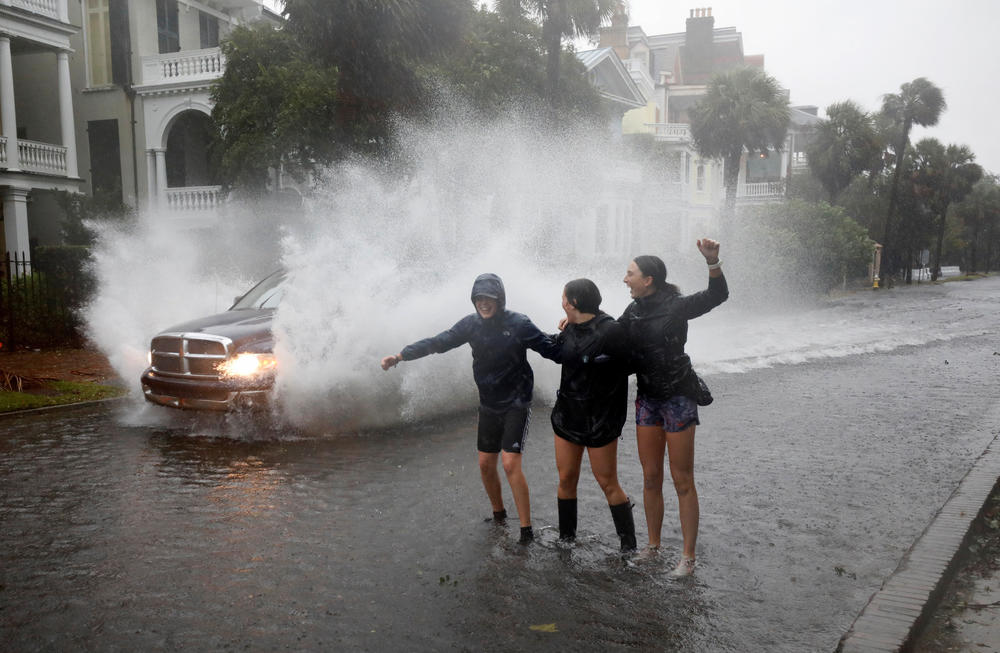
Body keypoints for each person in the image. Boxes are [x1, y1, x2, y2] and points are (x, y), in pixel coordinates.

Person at [380, 273, 558, 544]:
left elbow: (550, 348)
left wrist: (574, 330)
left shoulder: (519, 323)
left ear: (500, 299)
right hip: (489, 403)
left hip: (516, 402)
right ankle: (499, 515)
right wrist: (401, 356)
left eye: (489, 298)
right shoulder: (471, 325)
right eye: (479, 298)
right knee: (486, 465)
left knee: (510, 464)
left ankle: (526, 530)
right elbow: (438, 342)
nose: (484, 303)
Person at [618, 240, 728, 576]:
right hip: (648, 398)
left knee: (682, 479)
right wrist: (575, 324)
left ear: (648, 279)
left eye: (630, 273)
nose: (625, 279)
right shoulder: (633, 311)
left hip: (678, 397)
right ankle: (653, 547)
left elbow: (716, 296)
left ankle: (688, 558)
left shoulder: (677, 306)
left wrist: (713, 262)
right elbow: (609, 337)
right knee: (651, 477)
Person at [549, 279, 636, 552]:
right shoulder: (570, 327)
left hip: (601, 419)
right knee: (566, 478)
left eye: (563, 297)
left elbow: (633, 363)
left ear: (572, 302)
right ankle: (566, 539)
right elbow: (559, 352)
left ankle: (628, 546)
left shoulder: (611, 331)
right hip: (568, 415)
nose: (561, 300)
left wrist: (606, 374)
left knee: (607, 482)